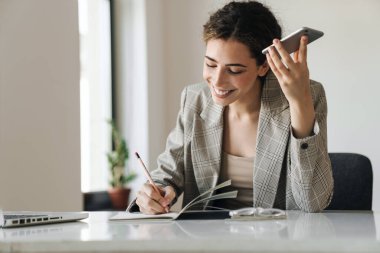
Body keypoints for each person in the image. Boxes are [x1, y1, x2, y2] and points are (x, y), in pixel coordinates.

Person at [132, 0, 333, 214]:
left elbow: (312, 202)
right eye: (210, 64)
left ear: (264, 66)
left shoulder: (306, 95)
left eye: (234, 70)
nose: (217, 81)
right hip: (208, 242)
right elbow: (167, 174)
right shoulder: (195, 99)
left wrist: (299, 102)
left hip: (279, 242)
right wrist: (156, 192)